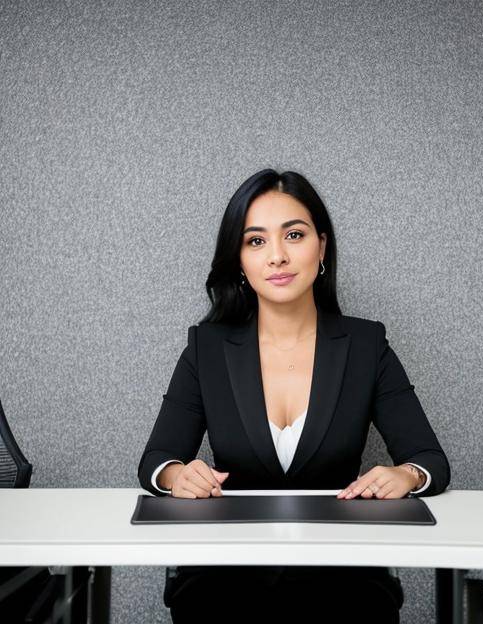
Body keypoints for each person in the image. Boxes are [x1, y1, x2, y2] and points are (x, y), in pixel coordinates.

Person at [137, 168, 451, 624]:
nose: (278, 257)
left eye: (295, 235)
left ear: (321, 247)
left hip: (343, 581)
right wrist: (176, 476)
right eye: (256, 241)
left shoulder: (366, 346)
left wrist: (406, 475)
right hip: (225, 580)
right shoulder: (206, 349)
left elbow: (430, 460)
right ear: (239, 260)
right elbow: (156, 460)